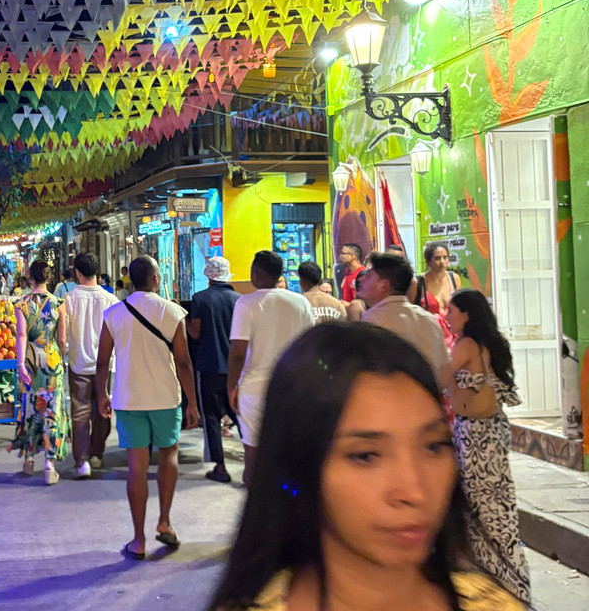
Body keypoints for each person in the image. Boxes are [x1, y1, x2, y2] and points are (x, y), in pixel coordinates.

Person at [207, 323, 526, 611]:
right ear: (300, 466)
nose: (414, 492)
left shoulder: (493, 605)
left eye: (433, 446)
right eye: (366, 456)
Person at [97, 256, 200, 560]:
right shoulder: (172, 312)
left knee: (137, 466)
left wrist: (103, 394)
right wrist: (193, 402)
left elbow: (102, 361)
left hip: (129, 399)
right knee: (169, 454)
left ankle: (139, 540)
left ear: (131, 280)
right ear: (156, 279)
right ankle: (165, 521)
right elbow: (183, 362)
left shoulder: (114, 313)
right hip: (166, 397)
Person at [445, 289, 530, 602]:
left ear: (467, 314)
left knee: (478, 508)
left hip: (475, 437)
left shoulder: (466, 345)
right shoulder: (490, 343)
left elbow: (441, 375)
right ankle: (512, 581)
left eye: (451, 310)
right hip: (493, 431)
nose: (447, 316)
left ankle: (491, 580)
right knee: (496, 506)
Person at [226, 251, 314, 486]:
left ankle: (255, 500)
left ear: (255, 274)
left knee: (254, 454)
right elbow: (310, 345)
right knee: (290, 452)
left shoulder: (246, 303)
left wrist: (231, 386)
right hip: (293, 386)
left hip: (254, 389)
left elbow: (238, 352)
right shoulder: (300, 302)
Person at [358, 253, 452, 391]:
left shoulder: (373, 320)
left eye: (369, 276)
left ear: (384, 285)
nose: (361, 279)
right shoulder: (428, 319)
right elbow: (445, 374)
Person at [11, 260, 68, 485]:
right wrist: (61, 358)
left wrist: (20, 364)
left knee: (31, 409)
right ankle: (49, 464)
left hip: (31, 361)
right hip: (52, 361)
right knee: (52, 410)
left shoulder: (21, 304)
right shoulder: (58, 303)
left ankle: (29, 459)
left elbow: (21, 335)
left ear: (30, 278)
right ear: (49, 277)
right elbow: (61, 338)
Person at [186, 256, 240, 484]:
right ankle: (255, 460)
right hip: (236, 367)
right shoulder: (240, 300)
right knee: (239, 413)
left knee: (210, 416)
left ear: (208, 276)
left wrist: (184, 318)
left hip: (209, 365)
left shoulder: (200, 299)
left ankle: (220, 466)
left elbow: (195, 332)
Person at [64, 252, 117, 478]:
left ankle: (82, 461)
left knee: (80, 411)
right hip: (105, 364)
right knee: (103, 408)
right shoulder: (111, 300)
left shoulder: (68, 299)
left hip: (78, 363)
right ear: (97, 271)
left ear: (77, 272)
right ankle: (97, 453)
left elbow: (64, 334)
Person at [410, 241, 463, 316]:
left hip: (450, 323)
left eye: (445, 257)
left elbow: (460, 307)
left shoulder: (454, 278)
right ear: (428, 261)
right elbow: (408, 311)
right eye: (437, 258)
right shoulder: (418, 282)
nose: (442, 262)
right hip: (428, 323)